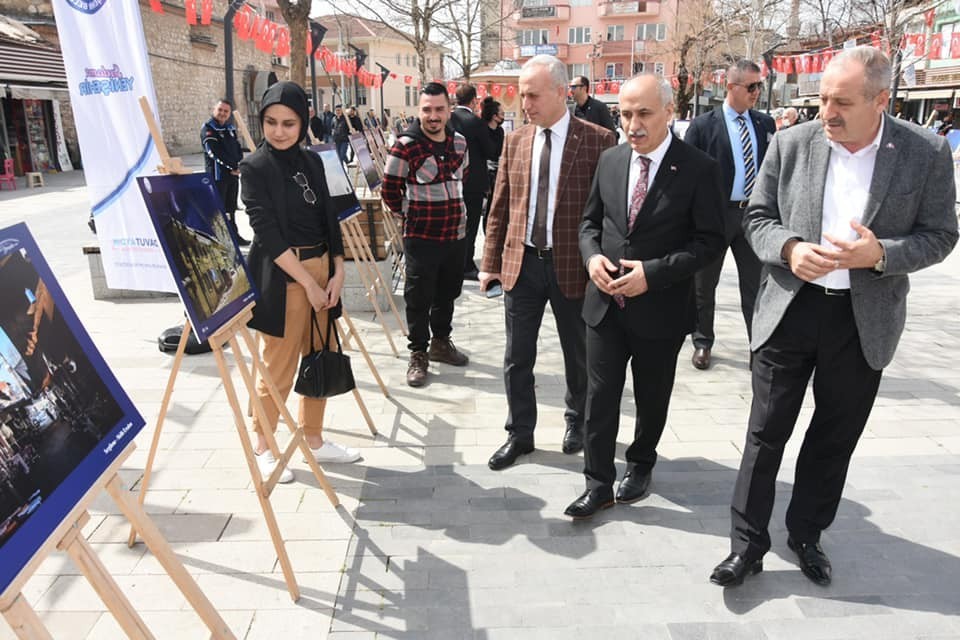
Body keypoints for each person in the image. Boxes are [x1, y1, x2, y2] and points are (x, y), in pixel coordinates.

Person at [709, 46, 958, 588]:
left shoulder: (925, 151)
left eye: (842, 102)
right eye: (823, 99)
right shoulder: (791, 142)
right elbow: (756, 216)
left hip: (862, 320)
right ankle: (746, 545)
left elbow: (942, 234)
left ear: (881, 100)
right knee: (765, 432)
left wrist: (883, 254)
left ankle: (806, 534)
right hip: (790, 309)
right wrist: (791, 248)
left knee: (832, 435)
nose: (827, 112)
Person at [564, 74, 725, 518]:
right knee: (599, 396)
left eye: (643, 114)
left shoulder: (698, 168)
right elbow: (589, 224)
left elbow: (710, 242)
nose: (632, 124)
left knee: (652, 395)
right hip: (604, 304)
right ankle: (597, 483)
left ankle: (640, 463)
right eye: (625, 114)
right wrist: (592, 257)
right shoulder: (611, 160)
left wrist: (653, 275)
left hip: (661, 309)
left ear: (669, 112)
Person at [480, 55, 616, 471]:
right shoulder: (516, 140)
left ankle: (577, 421)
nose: (526, 104)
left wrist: (606, 263)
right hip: (521, 265)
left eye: (533, 94)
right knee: (516, 357)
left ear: (562, 92)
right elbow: (500, 204)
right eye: (522, 95)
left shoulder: (598, 140)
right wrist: (489, 262)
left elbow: (608, 212)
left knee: (578, 354)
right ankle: (519, 434)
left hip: (573, 266)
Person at [240, 81, 362, 480]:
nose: (279, 131)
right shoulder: (254, 168)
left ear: (303, 122)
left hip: (323, 270)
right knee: (277, 364)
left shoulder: (313, 162)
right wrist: (307, 284)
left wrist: (338, 269)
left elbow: (331, 218)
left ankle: (314, 438)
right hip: (284, 276)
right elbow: (267, 232)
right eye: (271, 122)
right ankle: (264, 444)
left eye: (288, 123)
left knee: (320, 355)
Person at [683, 59, 777, 370]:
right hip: (714, 217)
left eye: (759, 86)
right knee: (703, 285)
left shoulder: (765, 124)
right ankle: (702, 342)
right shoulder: (702, 126)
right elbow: (688, 175)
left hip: (752, 216)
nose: (756, 93)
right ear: (731, 87)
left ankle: (758, 346)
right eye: (751, 86)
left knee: (756, 286)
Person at [382, 82, 471, 387]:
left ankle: (441, 344)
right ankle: (418, 353)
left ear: (448, 110)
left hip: (455, 234)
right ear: (418, 111)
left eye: (439, 109)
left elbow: (464, 178)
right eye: (427, 110)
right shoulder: (405, 145)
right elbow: (390, 190)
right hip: (420, 237)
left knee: (448, 293)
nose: (433, 116)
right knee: (418, 298)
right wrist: (411, 214)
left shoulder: (460, 142)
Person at [451, 84, 498, 280]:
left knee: (455, 224)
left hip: (451, 179)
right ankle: (466, 264)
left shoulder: (448, 119)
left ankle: (455, 262)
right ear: (473, 101)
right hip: (474, 180)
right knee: (471, 224)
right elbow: (491, 151)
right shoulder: (476, 123)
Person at [201, 98, 249, 245]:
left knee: (231, 208)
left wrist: (239, 164)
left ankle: (234, 235)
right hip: (218, 176)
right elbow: (213, 153)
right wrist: (232, 167)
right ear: (214, 110)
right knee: (219, 209)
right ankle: (219, 239)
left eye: (226, 111)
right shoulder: (208, 128)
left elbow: (237, 148)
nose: (222, 113)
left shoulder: (230, 128)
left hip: (233, 176)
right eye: (220, 110)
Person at [479, 96, 505, 230]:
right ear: (494, 116)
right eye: (502, 113)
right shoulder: (482, 129)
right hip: (485, 172)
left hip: (498, 171)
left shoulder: (500, 131)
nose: (503, 116)